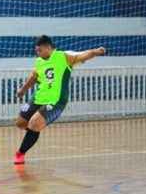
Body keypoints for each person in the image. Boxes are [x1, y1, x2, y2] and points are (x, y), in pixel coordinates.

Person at [13, 35, 105, 164]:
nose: (37, 53)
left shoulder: (63, 57)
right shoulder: (39, 61)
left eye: (39, 50)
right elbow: (34, 77)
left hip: (56, 101)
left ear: (48, 47)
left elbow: (82, 55)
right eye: (36, 50)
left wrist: (96, 52)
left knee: (34, 123)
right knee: (20, 123)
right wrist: (22, 90)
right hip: (38, 98)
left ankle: (20, 154)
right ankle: (34, 132)